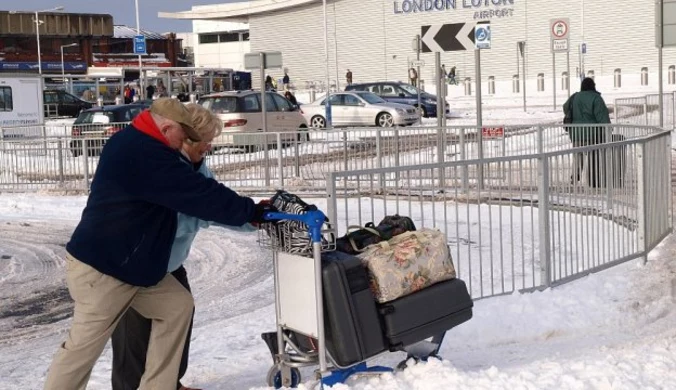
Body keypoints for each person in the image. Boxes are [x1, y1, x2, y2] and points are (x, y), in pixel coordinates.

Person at [43, 98, 275, 390]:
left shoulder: (143, 144)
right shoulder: (145, 154)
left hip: (135, 267)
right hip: (104, 270)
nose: (185, 142)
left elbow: (201, 192)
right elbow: (199, 195)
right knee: (82, 350)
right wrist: (251, 211)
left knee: (177, 306)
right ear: (167, 128)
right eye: (184, 136)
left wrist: (251, 213)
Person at [110, 104, 254, 390]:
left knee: (178, 320)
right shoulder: (163, 166)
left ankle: (170, 382)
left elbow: (217, 203)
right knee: (133, 341)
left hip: (168, 264)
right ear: (187, 137)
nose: (210, 146)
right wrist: (205, 218)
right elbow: (179, 218)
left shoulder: (198, 166)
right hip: (135, 264)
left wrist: (255, 219)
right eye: (206, 140)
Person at [562, 77, 611, 184]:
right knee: (594, 156)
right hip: (593, 134)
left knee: (578, 154)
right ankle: (594, 179)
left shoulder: (575, 97)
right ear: (593, 86)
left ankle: (575, 176)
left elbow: (565, 107)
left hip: (576, 133)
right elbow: (602, 116)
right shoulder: (596, 98)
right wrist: (608, 129)